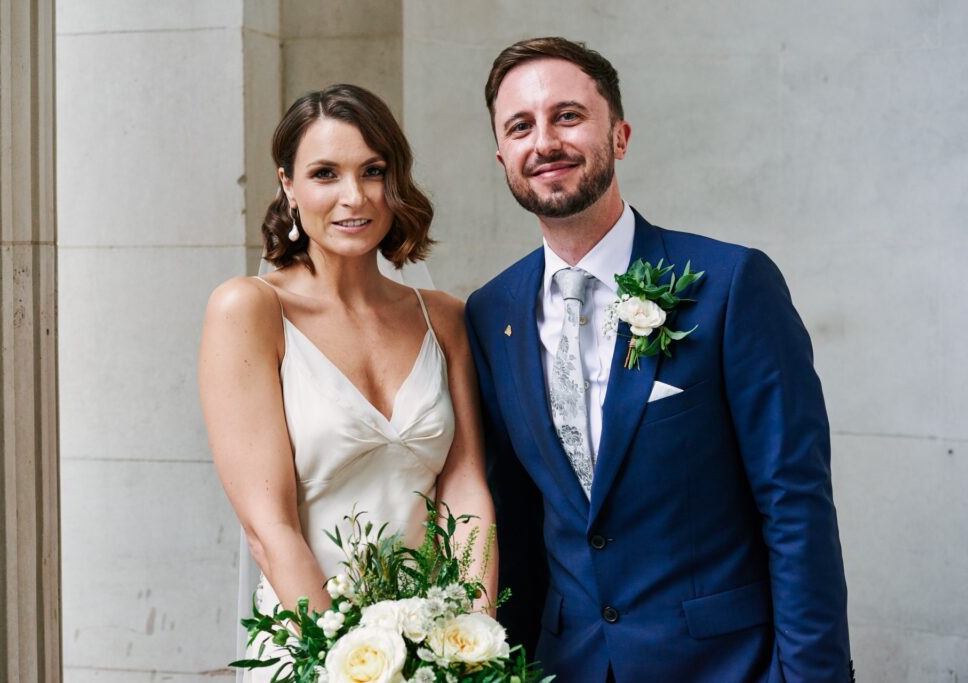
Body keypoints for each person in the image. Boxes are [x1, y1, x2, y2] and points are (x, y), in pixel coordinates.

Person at [465, 37, 852, 682]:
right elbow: (516, 517)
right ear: (502, 154)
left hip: (724, 665)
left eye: (568, 115)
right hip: (567, 666)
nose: (545, 142)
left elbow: (796, 503)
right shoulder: (490, 312)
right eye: (521, 126)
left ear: (618, 134)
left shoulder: (731, 285)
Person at [199, 84, 496, 680]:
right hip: (309, 645)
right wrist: (346, 667)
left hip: (430, 644)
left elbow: (465, 492)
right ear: (287, 184)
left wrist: (468, 648)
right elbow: (269, 528)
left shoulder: (445, 317)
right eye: (325, 173)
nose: (353, 197)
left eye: (373, 171)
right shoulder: (249, 310)